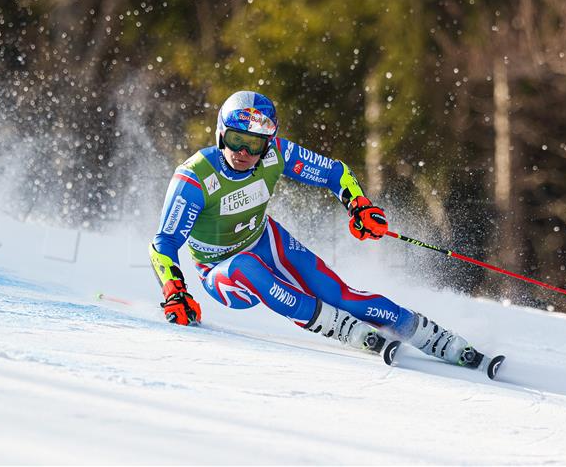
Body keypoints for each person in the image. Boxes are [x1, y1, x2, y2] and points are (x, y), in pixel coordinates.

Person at [149, 90, 483, 368]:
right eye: (236, 140)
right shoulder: (194, 178)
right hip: (220, 271)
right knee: (246, 267)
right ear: (221, 133)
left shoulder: (275, 155)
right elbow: (164, 242)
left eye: (256, 144)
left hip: (265, 240)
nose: (244, 153)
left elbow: (334, 173)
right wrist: (175, 291)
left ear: (268, 143)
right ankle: (339, 328)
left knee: (339, 294)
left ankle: (430, 335)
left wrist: (359, 205)